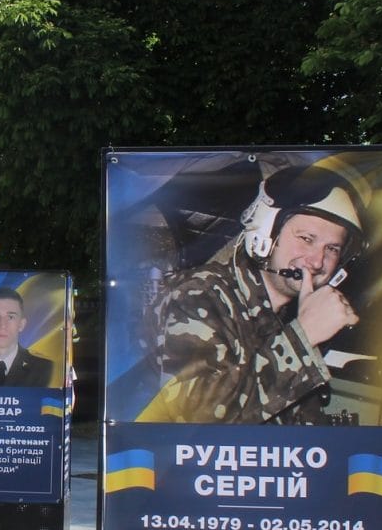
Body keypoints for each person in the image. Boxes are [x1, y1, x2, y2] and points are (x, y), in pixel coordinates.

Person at [147, 163, 366, 425]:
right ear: (265, 232)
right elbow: (198, 418)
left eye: (332, 248)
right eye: (306, 238)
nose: (317, 261)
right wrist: (304, 337)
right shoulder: (199, 294)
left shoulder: (287, 316)